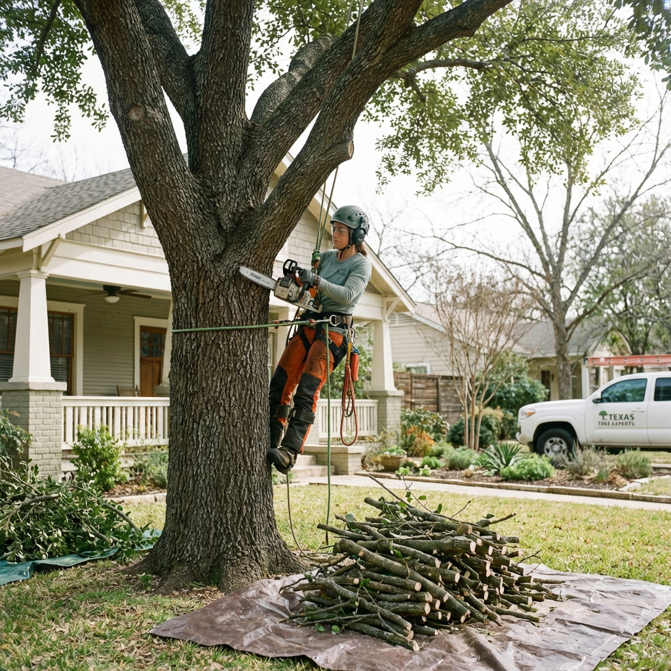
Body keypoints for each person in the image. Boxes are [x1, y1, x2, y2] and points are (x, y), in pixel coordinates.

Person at [267, 206, 372, 474]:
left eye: (340, 230)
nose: (335, 234)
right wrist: (302, 281)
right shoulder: (325, 257)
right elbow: (313, 288)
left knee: (307, 388)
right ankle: (269, 439)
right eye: (334, 229)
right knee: (280, 382)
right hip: (310, 322)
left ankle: (290, 452)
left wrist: (318, 280)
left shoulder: (361, 264)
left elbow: (348, 295)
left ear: (356, 235)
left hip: (334, 331)